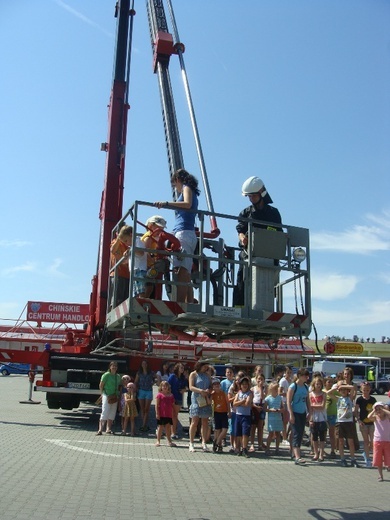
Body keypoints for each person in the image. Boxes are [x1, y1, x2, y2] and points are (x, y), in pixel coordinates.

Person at [234, 176, 282, 306]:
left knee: (270, 286)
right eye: (249, 196)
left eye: (253, 196)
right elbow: (240, 230)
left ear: (261, 193)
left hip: (269, 257)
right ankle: (240, 308)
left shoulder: (273, 214)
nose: (251, 199)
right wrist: (242, 237)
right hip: (248, 256)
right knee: (242, 283)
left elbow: (279, 234)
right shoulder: (245, 213)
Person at [154, 168, 200, 303]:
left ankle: (178, 304)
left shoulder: (186, 188)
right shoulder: (190, 189)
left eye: (175, 185)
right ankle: (188, 303)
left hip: (184, 233)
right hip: (187, 233)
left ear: (178, 180)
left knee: (181, 271)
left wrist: (166, 204)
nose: (176, 189)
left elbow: (187, 204)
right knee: (185, 271)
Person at [329, 380, 359, 467]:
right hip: (340, 422)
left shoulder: (349, 398)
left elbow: (353, 388)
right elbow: (329, 393)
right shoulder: (338, 399)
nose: (343, 391)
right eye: (341, 390)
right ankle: (343, 459)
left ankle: (353, 459)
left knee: (350, 442)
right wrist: (337, 388)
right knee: (341, 442)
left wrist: (344, 386)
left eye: (345, 390)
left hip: (348, 422)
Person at [287, 367, 311, 465]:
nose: (307, 377)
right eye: (305, 376)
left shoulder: (306, 387)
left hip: (302, 413)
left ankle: (294, 451)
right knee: (296, 433)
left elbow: (307, 401)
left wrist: (309, 412)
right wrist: (291, 414)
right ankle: (297, 456)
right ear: (300, 376)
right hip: (295, 412)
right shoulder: (293, 386)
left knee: (300, 434)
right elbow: (288, 401)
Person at [188, 361, 212, 453]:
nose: (205, 368)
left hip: (205, 399)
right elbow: (191, 387)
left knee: (205, 421)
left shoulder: (207, 375)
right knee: (195, 421)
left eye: (206, 367)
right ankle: (191, 443)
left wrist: (208, 391)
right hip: (196, 399)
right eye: (204, 366)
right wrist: (200, 390)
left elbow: (211, 386)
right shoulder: (193, 374)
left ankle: (204, 442)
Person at [110, 225, 133, 307]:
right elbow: (113, 250)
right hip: (118, 275)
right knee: (117, 299)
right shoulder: (115, 242)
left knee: (125, 300)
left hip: (127, 275)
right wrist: (119, 239)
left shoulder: (128, 244)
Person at [355, 381, 376, 467]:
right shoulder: (359, 399)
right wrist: (359, 420)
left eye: (367, 390)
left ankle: (374, 457)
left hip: (372, 423)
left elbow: (376, 410)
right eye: (364, 390)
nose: (366, 392)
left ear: (370, 390)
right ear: (361, 390)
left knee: (373, 441)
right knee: (366, 441)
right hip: (363, 423)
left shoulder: (373, 399)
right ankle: (367, 458)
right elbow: (356, 411)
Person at [96, 361, 122, 435]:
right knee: (105, 410)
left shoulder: (118, 376)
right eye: (113, 366)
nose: (114, 367)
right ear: (110, 367)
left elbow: (119, 386)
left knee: (112, 412)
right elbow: (101, 385)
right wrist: (102, 393)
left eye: (115, 366)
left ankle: (108, 429)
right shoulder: (106, 375)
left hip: (114, 396)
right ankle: (100, 429)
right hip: (107, 395)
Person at [367, 402, 390, 482]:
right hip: (377, 441)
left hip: (387, 441)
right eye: (377, 409)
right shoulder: (375, 417)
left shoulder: (387, 417)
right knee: (378, 460)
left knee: (389, 459)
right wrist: (374, 410)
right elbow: (369, 417)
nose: (379, 411)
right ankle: (380, 475)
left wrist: (383, 409)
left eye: (380, 409)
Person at [233, 376, 253, 457]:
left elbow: (247, 403)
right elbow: (234, 404)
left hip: (246, 416)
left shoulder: (250, 393)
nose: (244, 385)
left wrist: (239, 403)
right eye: (243, 384)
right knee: (239, 434)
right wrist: (242, 401)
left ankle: (244, 449)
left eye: (246, 384)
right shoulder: (238, 393)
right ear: (240, 385)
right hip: (238, 415)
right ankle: (239, 448)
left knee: (245, 433)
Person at [309, 376, 327, 462]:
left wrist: (313, 406)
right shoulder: (310, 394)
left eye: (320, 384)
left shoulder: (324, 394)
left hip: (322, 417)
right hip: (313, 417)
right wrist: (310, 419)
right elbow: (309, 407)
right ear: (314, 384)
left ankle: (321, 454)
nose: (318, 385)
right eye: (317, 384)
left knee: (322, 437)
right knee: (314, 437)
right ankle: (316, 453)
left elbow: (322, 406)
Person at [134, 360, 156, 432]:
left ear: (147, 365)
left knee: (147, 409)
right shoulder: (139, 373)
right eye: (143, 363)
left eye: (145, 363)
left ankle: (144, 425)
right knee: (142, 409)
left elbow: (157, 377)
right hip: (141, 391)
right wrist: (136, 389)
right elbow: (136, 382)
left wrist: (154, 382)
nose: (144, 365)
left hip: (148, 391)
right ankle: (144, 424)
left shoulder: (151, 373)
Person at [168, 362, 188, 439]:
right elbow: (168, 385)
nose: (182, 369)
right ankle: (171, 432)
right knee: (171, 415)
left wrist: (184, 390)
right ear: (177, 368)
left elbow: (186, 387)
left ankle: (173, 432)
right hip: (172, 397)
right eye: (181, 368)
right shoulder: (173, 376)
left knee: (175, 415)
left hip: (179, 398)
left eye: (183, 368)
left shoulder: (183, 378)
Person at [264, 382, 283, 455]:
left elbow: (283, 408)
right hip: (271, 418)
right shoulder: (268, 398)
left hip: (278, 417)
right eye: (274, 389)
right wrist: (270, 410)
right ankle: (268, 448)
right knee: (271, 433)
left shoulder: (279, 398)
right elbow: (265, 409)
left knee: (278, 433)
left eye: (276, 388)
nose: (275, 390)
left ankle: (277, 448)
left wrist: (280, 410)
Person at [210, 379, 229, 452]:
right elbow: (209, 402)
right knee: (217, 430)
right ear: (213, 386)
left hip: (224, 412)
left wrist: (229, 411)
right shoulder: (213, 394)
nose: (217, 385)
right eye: (215, 384)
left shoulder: (223, 393)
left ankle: (216, 442)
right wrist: (210, 394)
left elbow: (227, 403)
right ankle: (219, 446)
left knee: (224, 429)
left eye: (218, 384)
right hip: (216, 413)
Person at [155, 381, 176, 447]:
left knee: (168, 427)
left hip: (169, 414)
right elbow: (156, 405)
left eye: (166, 386)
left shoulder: (171, 395)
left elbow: (173, 405)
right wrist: (157, 413)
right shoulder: (159, 395)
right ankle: (158, 441)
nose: (164, 387)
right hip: (161, 414)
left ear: (168, 387)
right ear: (161, 387)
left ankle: (169, 441)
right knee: (160, 427)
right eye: (163, 386)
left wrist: (174, 413)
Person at [249, 373, 266, 452]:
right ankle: (252, 444)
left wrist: (261, 388)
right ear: (256, 380)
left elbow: (263, 398)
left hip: (261, 407)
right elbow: (251, 400)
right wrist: (255, 407)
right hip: (254, 407)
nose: (260, 381)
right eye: (259, 379)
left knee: (260, 427)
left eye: (262, 379)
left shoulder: (265, 388)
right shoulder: (253, 389)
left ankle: (260, 444)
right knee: (253, 427)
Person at [279, 366, 293, 445]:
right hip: (284, 402)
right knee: (284, 421)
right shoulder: (283, 381)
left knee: (288, 421)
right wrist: (287, 394)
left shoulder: (290, 381)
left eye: (290, 373)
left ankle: (285, 435)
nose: (289, 374)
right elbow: (279, 392)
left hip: (289, 402)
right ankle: (284, 438)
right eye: (288, 372)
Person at [324, 376, 338, 458]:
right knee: (323, 434)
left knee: (332, 434)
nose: (330, 383)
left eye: (332, 382)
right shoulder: (322, 391)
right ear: (325, 383)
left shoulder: (334, 392)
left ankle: (333, 450)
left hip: (333, 415)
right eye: (328, 382)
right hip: (324, 415)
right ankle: (322, 450)